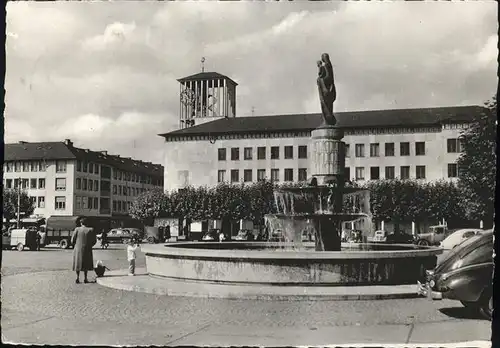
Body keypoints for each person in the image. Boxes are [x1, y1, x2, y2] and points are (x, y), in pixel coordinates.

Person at [71, 218, 96, 284]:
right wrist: (89, 245)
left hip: (78, 249)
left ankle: (77, 278)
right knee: (86, 263)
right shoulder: (91, 229)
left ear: (81, 223)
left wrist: (76, 245)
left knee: (77, 263)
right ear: (87, 223)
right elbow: (94, 241)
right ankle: (85, 278)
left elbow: (72, 240)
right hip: (87, 248)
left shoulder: (77, 229)